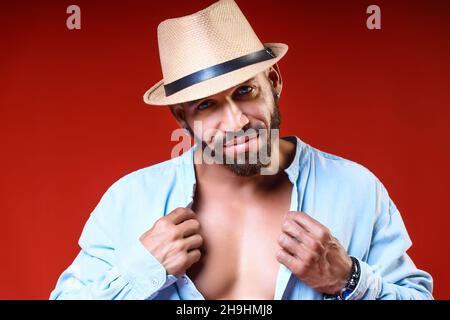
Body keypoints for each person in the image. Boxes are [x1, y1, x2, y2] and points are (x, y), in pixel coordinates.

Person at [50, 0, 433, 300]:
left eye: (244, 92)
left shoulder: (356, 188)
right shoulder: (129, 200)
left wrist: (347, 278)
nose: (236, 122)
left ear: (273, 80)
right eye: (206, 105)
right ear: (181, 117)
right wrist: (139, 273)